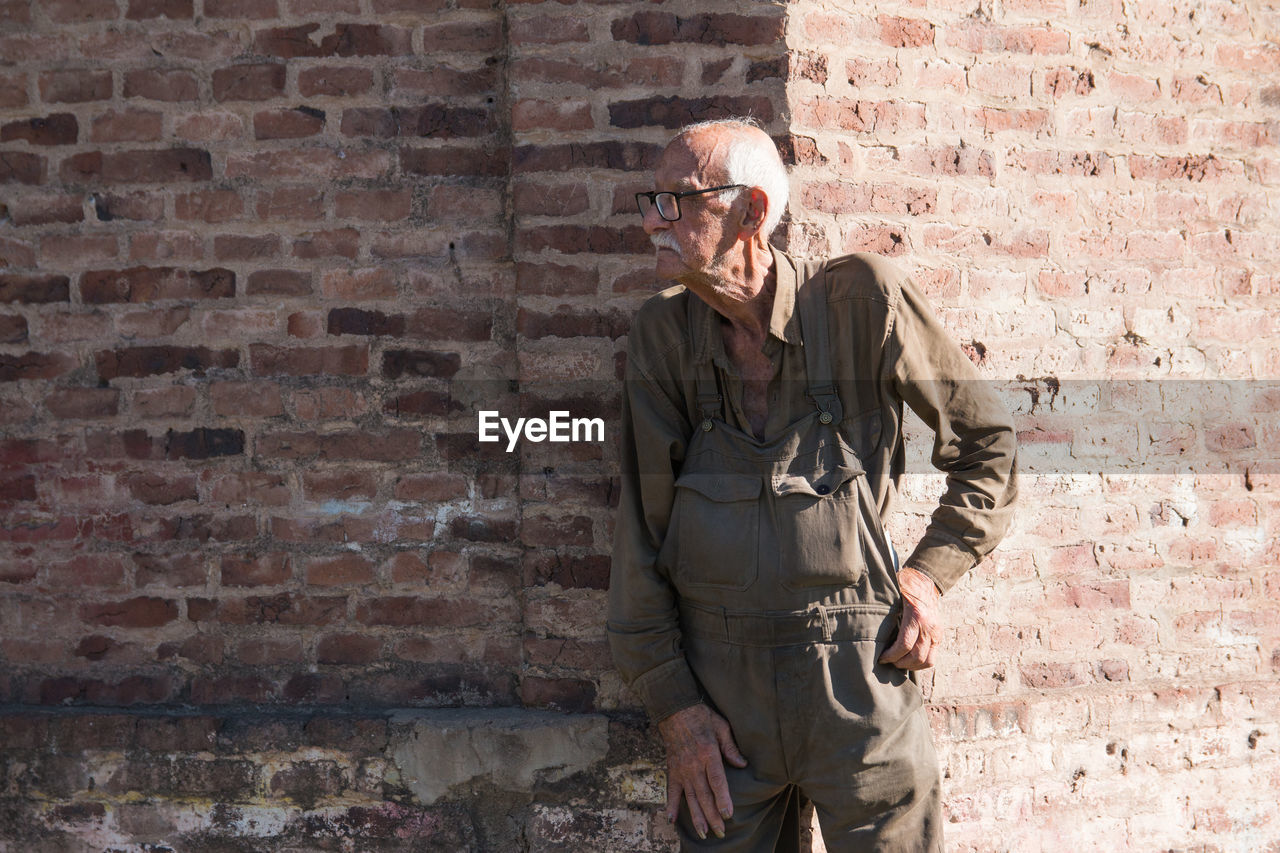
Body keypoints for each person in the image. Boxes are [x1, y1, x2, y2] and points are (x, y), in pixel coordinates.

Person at [607, 118, 1018, 852]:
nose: (649, 220)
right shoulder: (662, 336)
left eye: (675, 200)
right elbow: (643, 532)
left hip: (860, 678)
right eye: (651, 199)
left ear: (751, 213)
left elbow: (987, 446)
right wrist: (675, 707)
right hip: (723, 703)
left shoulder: (862, 303)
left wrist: (926, 578)